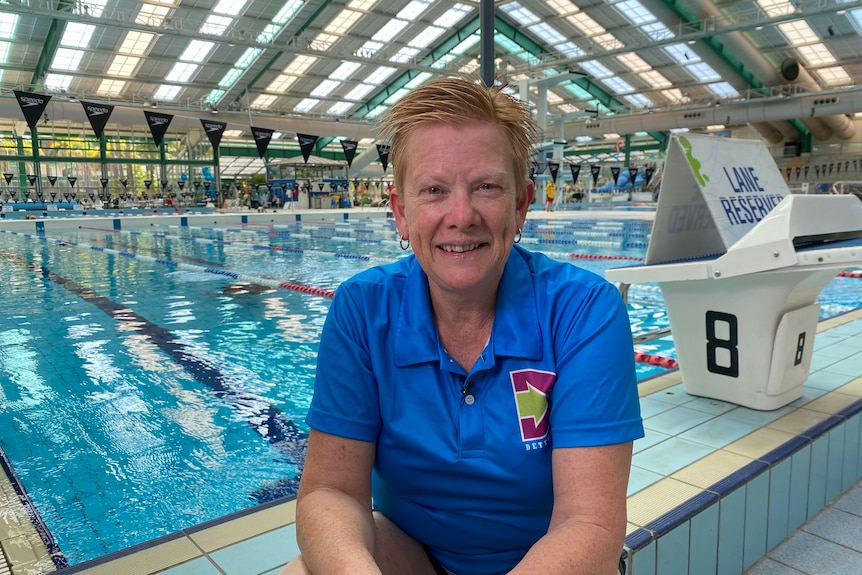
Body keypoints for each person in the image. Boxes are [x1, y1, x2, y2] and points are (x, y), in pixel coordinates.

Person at [281, 76, 643, 575]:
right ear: (401, 213)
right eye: (434, 190)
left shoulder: (583, 311)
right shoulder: (363, 309)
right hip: (413, 553)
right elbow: (331, 490)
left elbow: (589, 523)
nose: (461, 215)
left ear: (520, 206)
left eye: (487, 187)